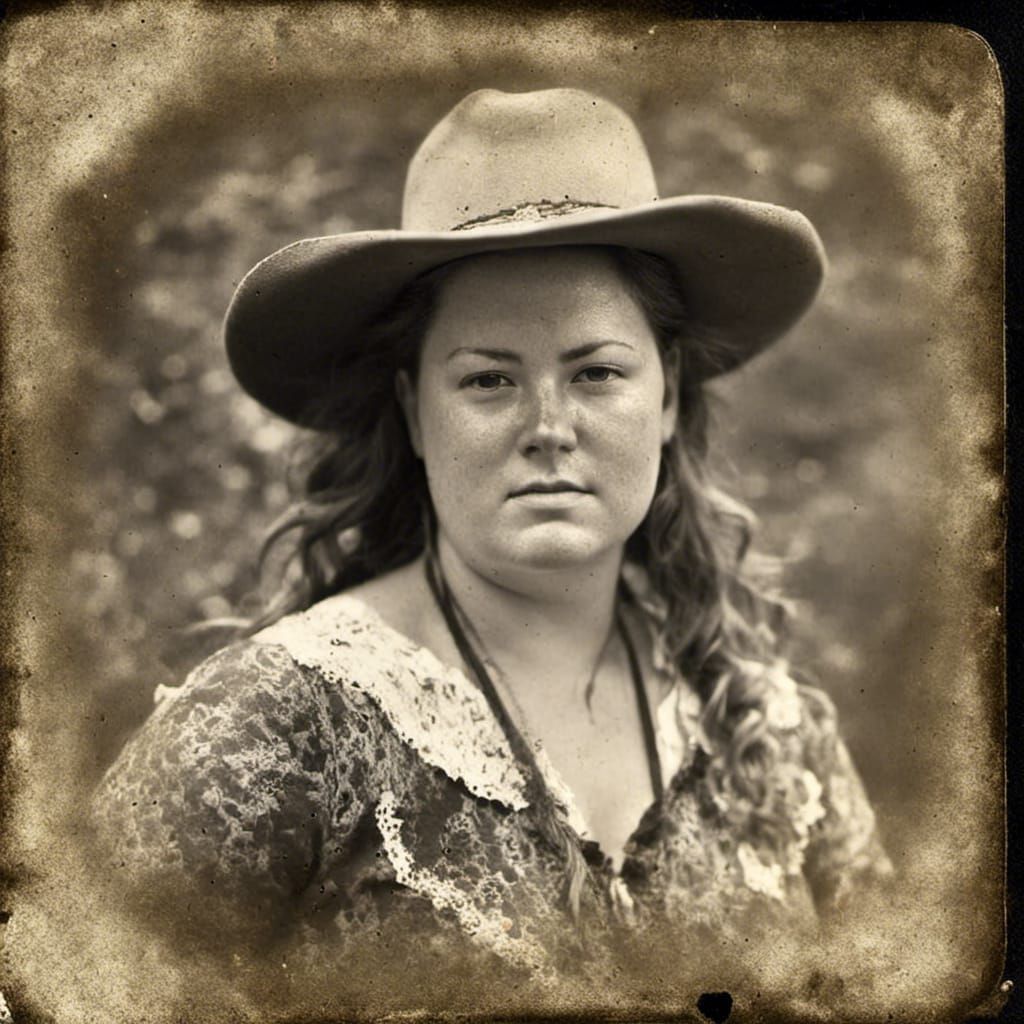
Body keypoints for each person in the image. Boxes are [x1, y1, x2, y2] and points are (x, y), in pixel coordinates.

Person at [91, 88, 892, 997]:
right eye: (488, 380)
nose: (549, 426)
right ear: (414, 412)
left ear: (666, 395)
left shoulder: (769, 733)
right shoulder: (276, 724)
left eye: (596, 372)